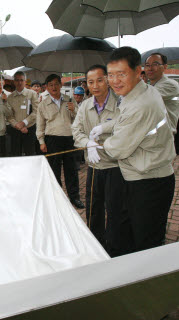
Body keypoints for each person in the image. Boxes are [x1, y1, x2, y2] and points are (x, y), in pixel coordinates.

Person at [100, 46, 175, 253]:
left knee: (145, 246)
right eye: (111, 75)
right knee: (127, 236)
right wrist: (107, 128)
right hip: (143, 175)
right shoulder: (141, 91)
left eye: (121, 74)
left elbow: (117, 149)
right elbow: (122, 122)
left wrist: (102, 142)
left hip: (149, 183)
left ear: (137, 71)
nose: (115, 81)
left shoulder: (141, 104)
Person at [71, 64, 126, 257]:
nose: (95, 85)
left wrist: (106, 130)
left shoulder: (121, 103)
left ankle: (114, 249)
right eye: (90, 82)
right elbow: (76, 131)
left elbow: (127, 130)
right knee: (94, 209)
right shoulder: (85, 106)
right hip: (94, 166)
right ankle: (95, 247)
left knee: (115, 210)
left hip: (115, 165)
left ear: (108, 80)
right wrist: (88, 143)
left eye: (100, 80)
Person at [36, 74, 85, 209]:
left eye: (56, 84)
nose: (54, 87)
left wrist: (74, 110)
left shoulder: (70, 100)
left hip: (69, 139)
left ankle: (74, 197)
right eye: (50, 85)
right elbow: (40, 124)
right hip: (52, 139)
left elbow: (79, 119)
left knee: (72, 170)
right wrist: (41, 141)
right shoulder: (43, 104)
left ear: (61, 85)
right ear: (46, 87)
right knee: (54, 170)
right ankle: (56, 199)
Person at [145, 52, 179, 134]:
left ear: (165, 67)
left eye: (155, 64)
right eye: (147, 65)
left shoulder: (170, 85)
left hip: (163, 137)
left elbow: (146, 97)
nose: (150, 68)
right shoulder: (151, 86)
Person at [6, 71, 39, 156]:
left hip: (29, 129)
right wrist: (17, 125)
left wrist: (24, 122)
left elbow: (36, 111)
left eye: (21, 80)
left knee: (30, 155)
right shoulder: (10, 97)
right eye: (17, 80)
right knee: (15, 155)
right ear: (14, 82)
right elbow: (9, 116)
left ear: (25, 81)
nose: (19, 82)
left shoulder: (32, 94)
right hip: (15, 130)